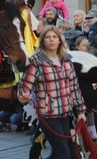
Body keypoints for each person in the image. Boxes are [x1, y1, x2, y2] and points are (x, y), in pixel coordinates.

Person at [19, 25, 86, 159]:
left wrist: (80, 111)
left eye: (54, 37)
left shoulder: (66, 59)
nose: (51, 40)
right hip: (48, 115)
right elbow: (24, 87)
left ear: (59, 40)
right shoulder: (36, 62)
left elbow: (74, 87)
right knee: (64, 154)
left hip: (66, 113)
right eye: (48, 37)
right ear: (42, 40)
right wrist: (24, 96)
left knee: (62, 153)